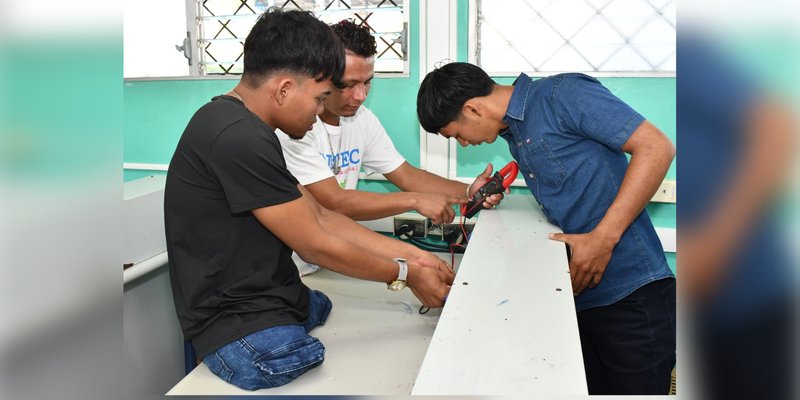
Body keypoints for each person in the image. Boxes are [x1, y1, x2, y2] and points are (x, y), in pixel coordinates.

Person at [164, 9, 453, 391]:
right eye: (318, 99)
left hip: (272, 295)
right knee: (310, 360)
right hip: (233, 318)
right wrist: (404, 273)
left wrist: (414, 256)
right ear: (284, 89)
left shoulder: (247, 127)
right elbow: (314, 243)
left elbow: (320, 215)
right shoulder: (237, 137)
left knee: (323, 308)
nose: (319, 114)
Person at [417, 62, 676, 395]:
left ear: (472, 108)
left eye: (457, 135)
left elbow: (657, 147)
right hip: (583, 299)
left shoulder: (562, 95)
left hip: (633, 295)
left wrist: (602, 238)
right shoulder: (514, 135)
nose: (464, 145)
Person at [277, 20, 503, 227]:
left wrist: (469, 192)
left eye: (367, 82)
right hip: (292, 262)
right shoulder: (294, 127)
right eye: (348, 84)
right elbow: (335, 202)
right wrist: (414, 201)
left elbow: (406, 176)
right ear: (322, 75)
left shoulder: (362, 119)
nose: (360, 95)